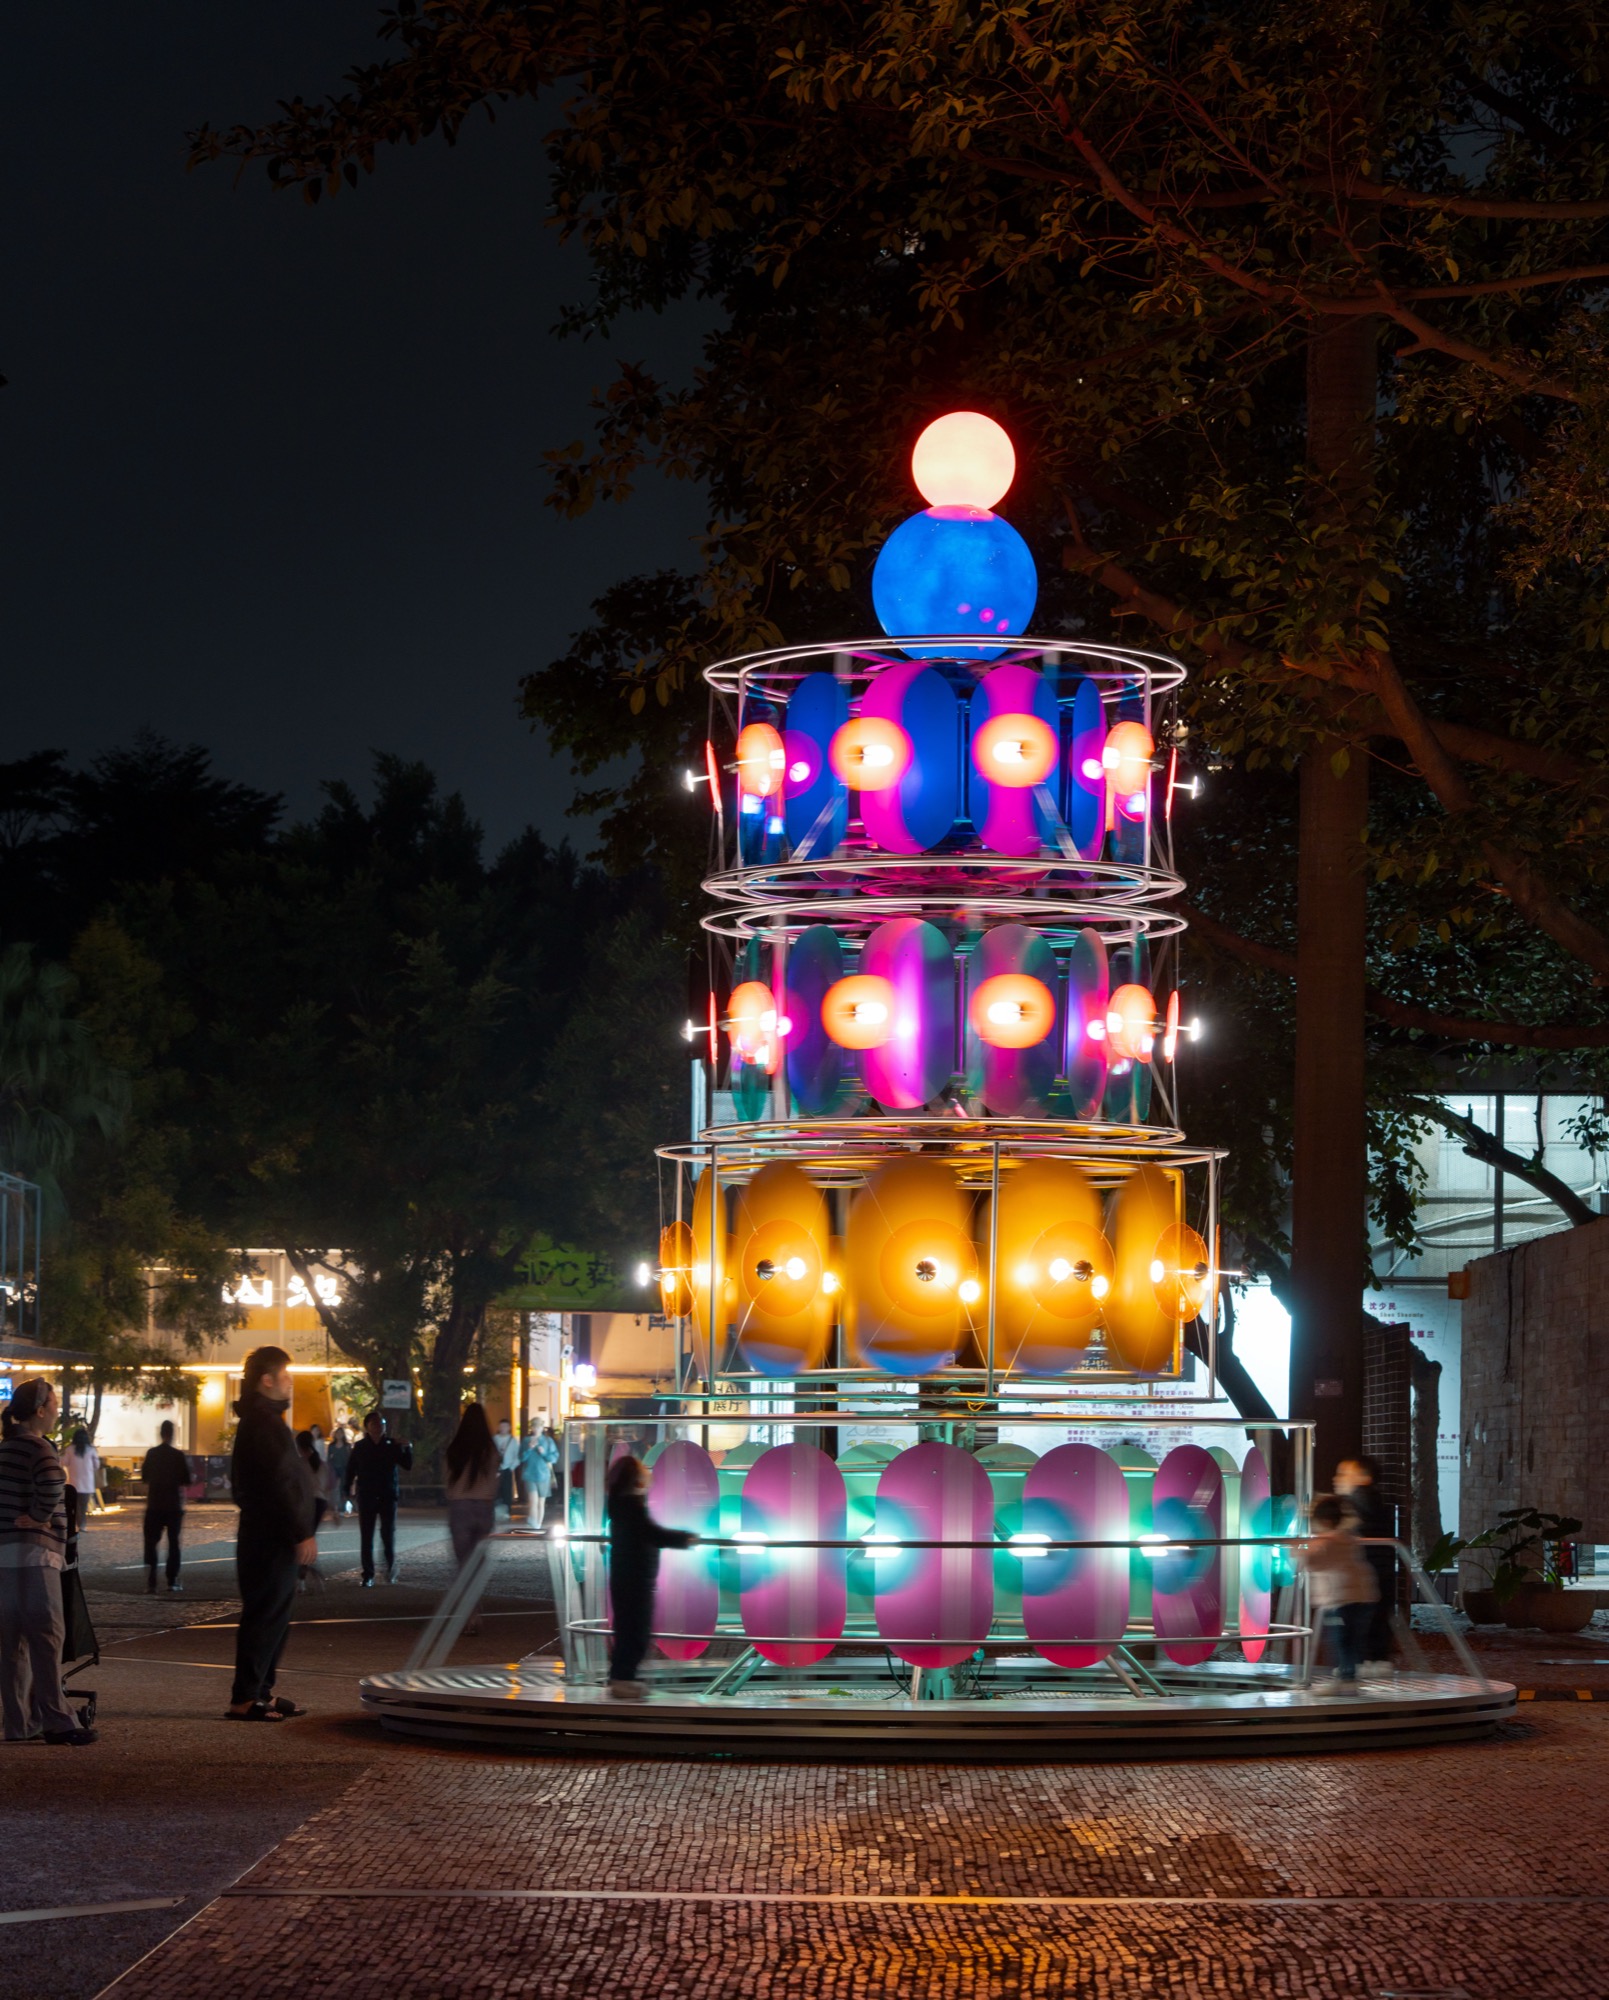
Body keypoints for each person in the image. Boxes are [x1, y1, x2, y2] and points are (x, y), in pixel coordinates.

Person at [0, 1378, 96, 1744]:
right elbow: (56, 1481)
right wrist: (41, 1514)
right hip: (36, 1555)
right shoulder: (39, 1448)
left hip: (4, 1557)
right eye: (54, 1403)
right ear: (40, 1411)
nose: (58, 1410)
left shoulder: (4, 1448)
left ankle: (18, 1724)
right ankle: (58, 1720)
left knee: (11, 1644)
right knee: (46, 1636)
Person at [227, 1345, 317, 1722]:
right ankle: (246, 1697)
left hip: (268, 1534)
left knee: (275, 1614)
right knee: (266, 1614)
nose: (291, 1381)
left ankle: (261, 1690)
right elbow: (280, 1483)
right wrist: (300, 1531)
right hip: (270, 1537)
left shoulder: (262, 1420)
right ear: (267, 1380)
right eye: (285, 1374)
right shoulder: (264, 1423)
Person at [605, 1453, 699, 1700]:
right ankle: (623, 1678)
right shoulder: (632, 1508)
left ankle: (622, 1675)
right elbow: (652, 1534)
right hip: (635, 1579)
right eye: (643, 1474)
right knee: (635, 1630)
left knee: (628, 1629)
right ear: (635, 1481)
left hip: (627, 1577)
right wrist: (685, 1538)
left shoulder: (620, 1506)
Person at [1300, 1493, 1378, 1693]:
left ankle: (1345, 1679)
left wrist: (1297, 1550)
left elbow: (1312, 1563)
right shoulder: (1347, 1538)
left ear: (1323, 1521)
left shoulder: (1327, 1542)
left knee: (1340, 1640)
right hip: (1362, 1597)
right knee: (1352, 1640)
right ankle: (1348, 1677)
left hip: (1341, 1600)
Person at [1336, 1454, 1397, 1678]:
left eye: (1344, 1473)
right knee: (1375, 1624)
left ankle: (1353, 1670)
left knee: (1351, 1626)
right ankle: (1371, 1662)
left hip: (1362, 1576)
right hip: (1381, 1572)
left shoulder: (1356, 1503)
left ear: (1363, 1477)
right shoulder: (1376, 1503)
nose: (1337, 1478)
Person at [444, 1403, 500, 1636]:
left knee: (463, 1563)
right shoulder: (490, 1449)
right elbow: (496, 1478)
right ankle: (474, 1607)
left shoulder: (454, 1448)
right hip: (484, 1507)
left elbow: (447, 1480)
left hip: (459, 1507)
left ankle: (470, 1613)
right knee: (478, 1563)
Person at [343, 1411, 412, 1586]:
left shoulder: (391, 1445)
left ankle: (390, 1569)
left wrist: (408, 1447)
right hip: (366, 1495)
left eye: (382, 1423)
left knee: (388, 1534)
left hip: (388, 1495)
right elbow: (350, 1470)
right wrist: (347, 1492)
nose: (379, 1426)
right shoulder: (360, 1447)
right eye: (374, 1423)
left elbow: (407, 1465)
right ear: (367, 1426)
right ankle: (368, 1574)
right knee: (367, 1536)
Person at [140, 1420, 191, 1595]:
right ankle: (172, 1580)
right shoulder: (178, 1455)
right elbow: (186, 1479)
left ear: (160, 1433)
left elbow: (144, 1477)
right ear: (173, 1434)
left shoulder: (152, 1453)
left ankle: (151, 1581)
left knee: (151, 1543)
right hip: (173, 1504)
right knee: (174, 1543)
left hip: (154, 1504)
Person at [294, 1429, 330, 1592]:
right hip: (320, 1503)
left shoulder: (299, 1463)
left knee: (301, 1540)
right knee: (307, 1538)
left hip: (306, 1504)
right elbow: (329, 1485)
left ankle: (303, 1578)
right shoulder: (320, 1463)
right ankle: (305, 1578)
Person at [61, 1426, 101, 1532]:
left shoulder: (70, 1449)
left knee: (74, 1506)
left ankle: (75, 1524)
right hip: (87, 1483)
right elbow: (96, 1465)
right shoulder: (91, 1449)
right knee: (83, 1506)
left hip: (73, 1482)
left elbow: (64, 1462)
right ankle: (82, 1525)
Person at [521, 1423, 558, 1523]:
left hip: (544, 1475)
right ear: (531, 1428)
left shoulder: (548, 1441)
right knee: (533, 1501)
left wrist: (543, 1452)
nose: (536, 1429)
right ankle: (534, 1524)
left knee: (541, 1502)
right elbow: (521, 1458)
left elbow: (554, 1458)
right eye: (534, 1426)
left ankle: (538, 1524)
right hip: (529, 1474)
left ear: (542, 1428)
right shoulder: (526, 1441)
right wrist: (529, 1448)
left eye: (538, 1427)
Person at [494, 1417, 521, 1516]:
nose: (503, 1428)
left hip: (507, 1469)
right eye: (501, 1426)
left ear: (509, 1427)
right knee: (496, 1491)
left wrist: (511, 1468)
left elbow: (517, 1456)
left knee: (507, 1490)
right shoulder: (494, 1439)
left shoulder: (513, 1441)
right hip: (496, 1469)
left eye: (505, 1426)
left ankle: (507, 1511)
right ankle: (495, 1511)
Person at [327, 1424, 353, 1514]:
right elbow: (328, 1458)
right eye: (337, 1433)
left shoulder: (347, 1446)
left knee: (343, 1487)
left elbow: (350, 1458)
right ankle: (334, 1507)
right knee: (334, 1488)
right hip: (334, 1468)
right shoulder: (332, 1446)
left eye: (341, 1433)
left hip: (344, 1468)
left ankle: (342, 1507)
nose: (339, 1435)